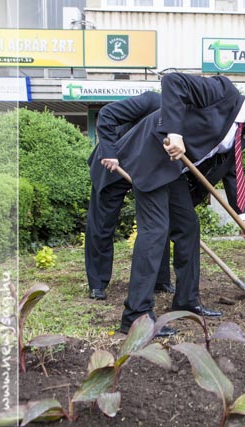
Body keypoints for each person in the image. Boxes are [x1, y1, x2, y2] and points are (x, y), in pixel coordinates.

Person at [101, 73, 245, 336]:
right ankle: (136, 316)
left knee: (189, 228)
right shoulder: (222, 92)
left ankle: (187, 300)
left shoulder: (242, 133)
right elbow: (172, 82)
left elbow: (233, 172)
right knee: (155, 232)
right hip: (152, 159)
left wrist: (244, 217)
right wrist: (174, 133)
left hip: (173, 172)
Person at [85, 91, 173, 301]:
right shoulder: (153, 101)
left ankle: (159, 280)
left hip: (147, 171)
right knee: (103, 223)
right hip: (114, 164)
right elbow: (107, 115)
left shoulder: (188, 118)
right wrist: (109, 153)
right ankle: (97, 283)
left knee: (158, 224)